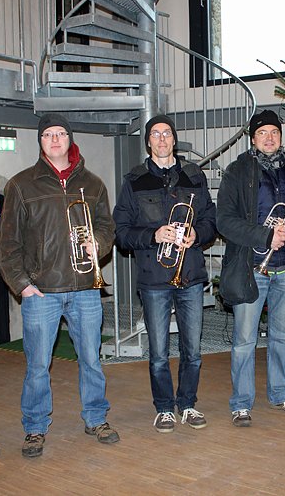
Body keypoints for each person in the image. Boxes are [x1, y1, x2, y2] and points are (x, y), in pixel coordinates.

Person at [0, 113, 118, 457]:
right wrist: (22, 285)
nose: (54, 139)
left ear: (70, 139)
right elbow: (8, 243)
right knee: (38, 366)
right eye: (48, 134)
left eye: (60, 133)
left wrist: (99, 242)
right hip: (42, 291)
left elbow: (106, 227)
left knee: (91, 360)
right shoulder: (21, 185)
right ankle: (35, 427)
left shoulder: (93, 184)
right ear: (40, 141)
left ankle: (96, 418)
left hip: (85, 288)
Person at [217, 109, 285, 427]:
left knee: (283, 337)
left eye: (274, 132)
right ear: (253, 138)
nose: (269, 138)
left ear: (280, 136)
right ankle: (241, 403)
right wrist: (265, 236)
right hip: (252, 268)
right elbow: (225, 220)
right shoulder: (237, 171)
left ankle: (280, 393)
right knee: (244, 340)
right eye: (262, 133)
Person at [113, 115, 217, 433]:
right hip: (154, 277)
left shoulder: (194, 175)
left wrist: (197, 235)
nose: (161, 139)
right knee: (158, 353)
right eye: (155, 134)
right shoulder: (134, 180)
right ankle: (164, 408)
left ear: (174, 139)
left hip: (190, 275)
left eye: (167, 133)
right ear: (148, 141)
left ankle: (187, 403)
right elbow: (121, 232)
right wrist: (153, 235)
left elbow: (210, 219)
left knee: (193, 351)